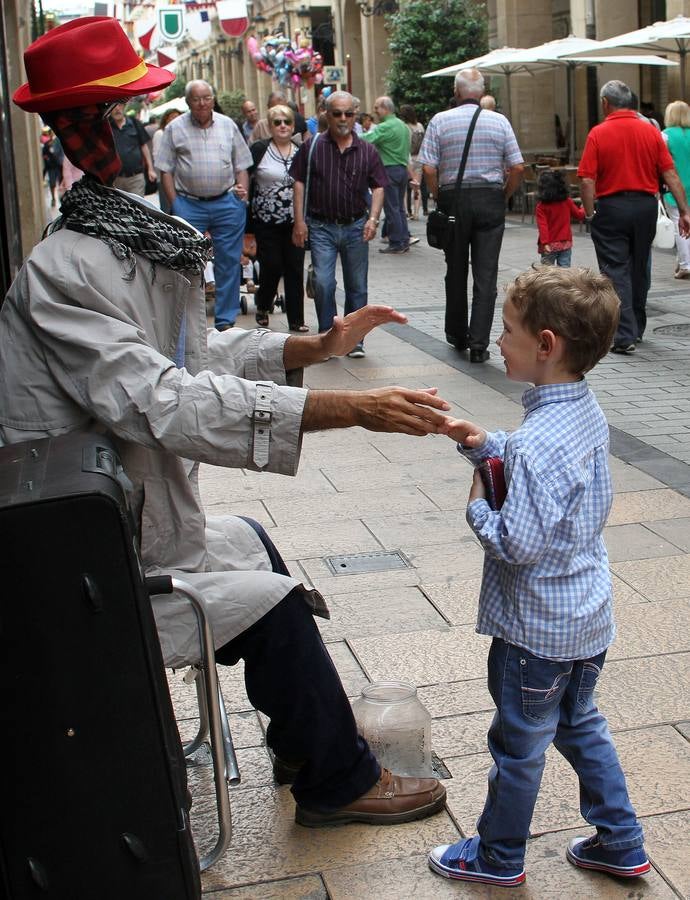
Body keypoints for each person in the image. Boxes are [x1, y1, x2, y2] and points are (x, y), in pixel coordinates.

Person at [8, 15, 450, 831]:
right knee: (273, 600)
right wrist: (344, 409)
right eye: (123, 118)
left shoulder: (121, 238)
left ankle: (306, 743)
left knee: (252, 540)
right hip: (80, 564)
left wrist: (308, 347)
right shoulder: (66, 270)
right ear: (89, 130)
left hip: (124, 527)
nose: (139, 134)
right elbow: (164, 398)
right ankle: (334, 780)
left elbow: (195, 352)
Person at [429, 266, 650, 886]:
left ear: (545, 344)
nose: (498, 341)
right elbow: (545, 476)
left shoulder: (534, 445)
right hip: (585, 618)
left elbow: (516, 543)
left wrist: (477, 500)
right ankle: (621, 841)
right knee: (581, 727)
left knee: (518, 749)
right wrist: (487, 444)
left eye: (507, 331)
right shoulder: (583, 412)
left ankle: (498, 857)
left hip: (534, 634)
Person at [578, 80, 690, 354]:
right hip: (645, 207)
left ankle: (624, 334)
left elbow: (586, 179)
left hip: (612, 208)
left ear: (606, 103)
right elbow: (670, 173)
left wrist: (590, 212)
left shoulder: (598, 133)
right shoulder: (650, 131)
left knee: (615, 270)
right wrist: (685, 210)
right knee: (640, 265)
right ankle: (636, 327)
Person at [420, 68, 524, 363]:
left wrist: (439, 196)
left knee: (455, 270)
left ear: (456, 92)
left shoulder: (440, 120)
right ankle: (479, 343)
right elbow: (517, 167)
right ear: (481, 93)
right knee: (486, 275)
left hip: (454, 199)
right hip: (489, 198)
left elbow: (428, 167)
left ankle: (457, 333)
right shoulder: (499, 121)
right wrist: (503, 194)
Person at [290, 91, 388, 357]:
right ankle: (328, 337)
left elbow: (379, 185)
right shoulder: (312, 148)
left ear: (355, 115)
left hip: (356, 225)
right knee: (323, 282)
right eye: (337, 114)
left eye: (348, 113)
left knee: (357, 285)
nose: (343, 119)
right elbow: (298, 182)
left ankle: (354, 341)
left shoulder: (367, 150)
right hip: (321, 226)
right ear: (326, 114)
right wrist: (299, 221)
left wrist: (373, 219)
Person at [157, 79, 252, 332]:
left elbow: (241, 164)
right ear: (188, 102)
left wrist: (241, 197)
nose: (202, 103)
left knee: (229, 261)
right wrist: (175, 204)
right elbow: (165, 169)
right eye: (196, 99)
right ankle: (188, 319)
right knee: (186, 262)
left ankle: (225, 320)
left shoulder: (227, 125)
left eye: (206, 98)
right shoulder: (175, 128)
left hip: (226, 202)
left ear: (213, 99)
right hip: (189, 204)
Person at [249, 105, 307, 332]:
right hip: (265, 221)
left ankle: (296, 319)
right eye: (277, 122)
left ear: (293, 126)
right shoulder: (259, 149)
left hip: (295, 220)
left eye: (287, 122)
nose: (282, 126)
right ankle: (263, 304)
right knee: (272, 265)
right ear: (270, 126)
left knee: (294, 267)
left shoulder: (301, 151)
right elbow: (246, 177)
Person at [362, 96, 412, 255]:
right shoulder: (403, 126)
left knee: (392, 209)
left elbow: (366, 140)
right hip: (402, 169)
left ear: (385, 108)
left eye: (376, 107)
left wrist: (345, 135)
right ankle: (403, 239)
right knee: (400, 208)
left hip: (389, 170)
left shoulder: (385, 127)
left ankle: (397, 242)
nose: (374, 111)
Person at [662, 100, 690, 279]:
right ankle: (684, 260)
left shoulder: (664, 136)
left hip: (675, 187)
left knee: (678, 225)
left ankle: (685, 264)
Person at [535, 168, 585, 266]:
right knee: (565, 272)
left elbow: (543, 227)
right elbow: (579, 215)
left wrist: (545, 243)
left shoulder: (541, 206)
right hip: (565, 243)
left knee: (547, 273)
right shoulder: (567, 201)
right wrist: (584, 208)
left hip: (549, 244)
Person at [108, 102, 156, 197]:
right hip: (116, 179)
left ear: (124, 106)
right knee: (120, 209)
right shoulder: (107, 127)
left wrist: (150, 169)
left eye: (119, 105)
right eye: (113, 106)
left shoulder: (134, 123)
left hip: (136, 178)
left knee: (138, 207)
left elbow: (144, 146)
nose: (117, 108)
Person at [151, 107, 181, 213]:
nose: (175, 120)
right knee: (167, 207)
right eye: (172, 117)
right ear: (166, 119)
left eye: (177, 117)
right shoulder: (160, 134)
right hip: (165, 177)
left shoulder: (182, 134)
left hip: (180, 179)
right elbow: (157, 156)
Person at [400, 104, 425, 220]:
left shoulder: (405, 127)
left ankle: (405, 211)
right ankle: (416, 213)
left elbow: (405, 144)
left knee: (404, 187)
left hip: (408, 157)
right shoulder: (420, 126)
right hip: (419, 158)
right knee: (417, 186)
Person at [41, 127, 63, 207]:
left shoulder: (59, 141)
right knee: (52, 183)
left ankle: (61, 198)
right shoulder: (47, 145)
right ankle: (53, 198)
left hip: (59, 166)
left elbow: (61, 153)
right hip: (51, 167)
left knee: (60, 183)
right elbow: (44, 155)